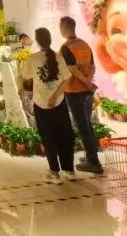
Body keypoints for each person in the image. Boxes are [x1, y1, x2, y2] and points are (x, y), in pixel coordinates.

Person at [19, 27, 75, 183]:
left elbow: (25, 76)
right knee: (64, 135)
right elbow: (67, 79)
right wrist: (55, 96)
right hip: (59, 103)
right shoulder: (58, 57)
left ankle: (54, 173)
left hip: (41, 103)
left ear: (37, 41)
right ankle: (69, 170)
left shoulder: (33, 59)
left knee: (48, 137)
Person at [59, 16, 103, 174]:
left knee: (82, 126)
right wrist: (89, 82)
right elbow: (92, 66)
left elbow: (73, 70)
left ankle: (93, 162)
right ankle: (91, 155)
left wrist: (85, 83)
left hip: (75, 91)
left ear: (64, 28)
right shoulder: (84, 45)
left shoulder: (66, 48)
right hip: (87, 92)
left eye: (61, 27)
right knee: (87, 124)